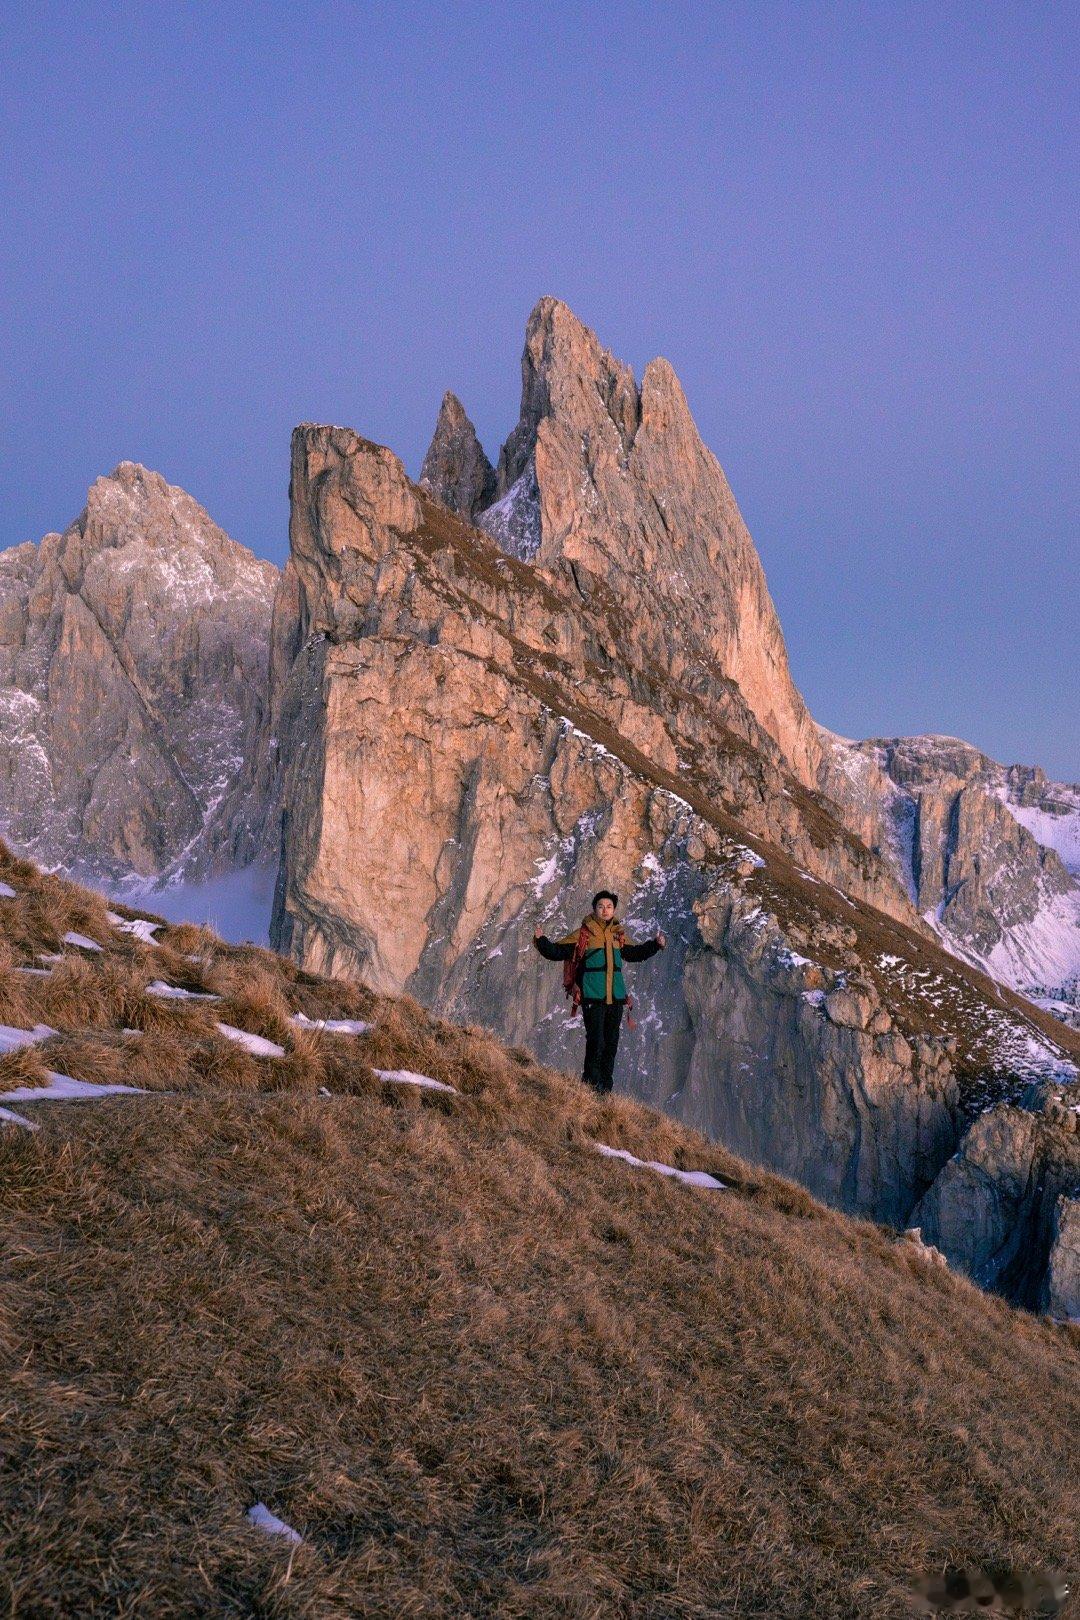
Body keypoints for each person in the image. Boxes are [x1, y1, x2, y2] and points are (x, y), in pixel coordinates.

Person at [533, 890, 666, 1095]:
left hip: (616, 1000)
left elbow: (635, 953)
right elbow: (557, 951)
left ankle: (605, 1091)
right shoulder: (583, 934)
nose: (605, 910)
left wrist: (655, 945)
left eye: (609, 906)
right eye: (601, 906)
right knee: (596, 1042)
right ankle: (590, 1088)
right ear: (594, 909)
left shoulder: (618, 935)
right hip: (592, 999)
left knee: (611, 1044)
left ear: (614, 910)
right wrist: (541, 940)